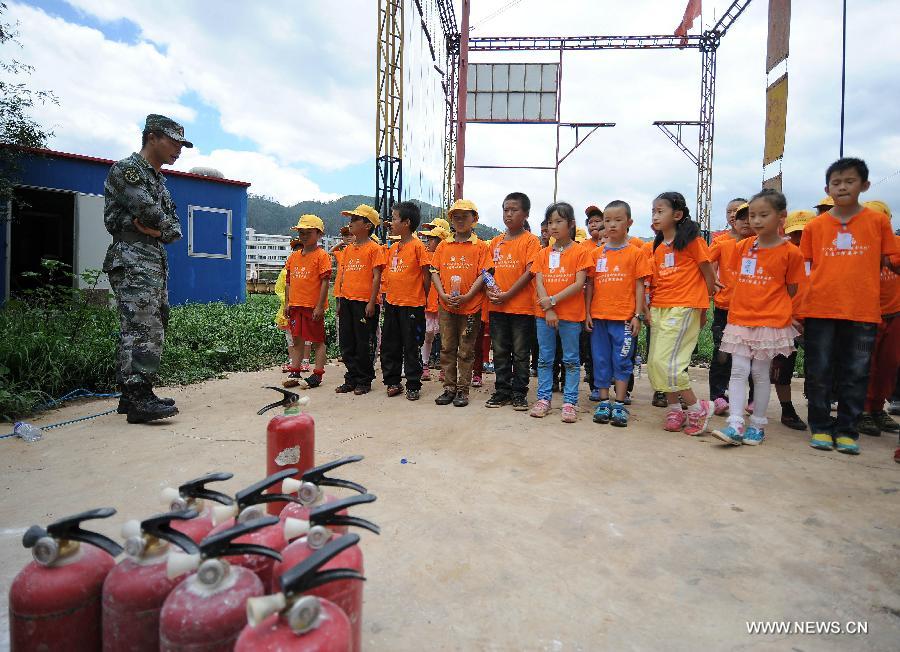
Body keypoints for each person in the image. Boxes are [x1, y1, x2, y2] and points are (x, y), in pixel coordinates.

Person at [801, 157, 897, 454]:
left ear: (864, 185)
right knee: (819, 371)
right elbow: (806, 268)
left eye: (849, 181)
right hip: (820, 309)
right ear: (827, 188)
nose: (842, 187)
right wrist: (798, 309)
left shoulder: (878, 222)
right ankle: (820, 427)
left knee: (856, 371)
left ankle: (847, 430)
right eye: (836, 182)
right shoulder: (815, 227)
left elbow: (891, 259)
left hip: (862, 310)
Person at [103, 114, 188, 424]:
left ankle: (132, 394)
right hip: (132, 259)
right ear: (152, 137)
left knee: (149, 324)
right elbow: (149, 212)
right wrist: (157, 227)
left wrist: (155, 231)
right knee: (143, 327)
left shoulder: (158, 181)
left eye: (182, 144)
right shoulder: (128, 171)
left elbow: (174, 230)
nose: (178, 149)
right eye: (173, 141)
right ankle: (139, 396)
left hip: (151, 259)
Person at [711, 190, 805, 446]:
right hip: (740, 318)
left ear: (781, 216)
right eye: (753, 215)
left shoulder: (790, 253)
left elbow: (794, 288)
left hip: (770, 322)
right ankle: (735, 424)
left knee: (760, 374)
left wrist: (787, 313)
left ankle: (758, 424)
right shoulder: (743, 247)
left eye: (764, 214)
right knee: (739, 371)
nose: (756, 220)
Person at [646, 191, 717, 436]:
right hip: (660, 308)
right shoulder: (657, 247)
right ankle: (675, 408)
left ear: (677, 215)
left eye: (660, 211)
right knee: (655, 363)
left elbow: (709, 274)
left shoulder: (692, 242)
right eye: (653, 211)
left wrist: (703, 306)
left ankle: (698, 408)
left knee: (670, 364)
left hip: (685, 306)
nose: (655, 216)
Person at [585, 200, 652, 427]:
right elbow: (590, 286)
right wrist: (587, 313)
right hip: (599, 317)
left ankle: (620, 403)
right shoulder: (596, 254)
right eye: (607, 220)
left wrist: (638, 315)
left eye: (618, 220)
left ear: (629, 222)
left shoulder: (636, 253)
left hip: (624, 319)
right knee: (601, 360)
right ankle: (604, 401)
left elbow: (640, 285)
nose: (611, 225)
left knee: (622, 360)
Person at [530, 202, 592, 423]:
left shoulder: (581, 252)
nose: (553, 226)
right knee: (545, 359)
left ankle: (569, 402)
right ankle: (543, 398)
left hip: (571, 316)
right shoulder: (543, 254)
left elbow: (579, 283)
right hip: (544, 315)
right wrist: (548, 308)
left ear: (571, 224)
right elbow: (539, 281)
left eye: (559, 221)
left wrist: (553, 301)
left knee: (571, 360)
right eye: (550, 222)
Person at [430, 199, 489, 407]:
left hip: (471, 307)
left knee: (466, 349)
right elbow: (434, 272)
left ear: (475, 219)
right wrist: (442, 294)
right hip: (446, 305)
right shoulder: (444, 245)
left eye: (465, 216)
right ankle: (449, 388)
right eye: (456, 216)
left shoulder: (481, 246)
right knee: (447, 347)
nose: (460, 220)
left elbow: (484, 274)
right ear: (451, 220)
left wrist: (468, 296)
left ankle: (462, 390)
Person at [485, 192, 541, 410]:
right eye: (505, 210)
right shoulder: (496, 242)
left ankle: (519, 393)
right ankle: (501, 391)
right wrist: (492, 290)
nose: (508, 214)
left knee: (520, 353)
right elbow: (488, 270)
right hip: (497, 306)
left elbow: (530, 272)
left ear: (525, 214)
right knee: (499, 351)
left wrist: (508, 294)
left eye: (514, 210)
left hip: (521, 308)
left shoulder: (530, 241)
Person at [857, 200, 900, 436]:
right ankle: (861, 410)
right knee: (864, 366)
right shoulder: (858, 248)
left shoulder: (897, 246)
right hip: (866, 316)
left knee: (889, 364)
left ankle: (877, 409)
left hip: (894, 314)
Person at [380, 201, 430, 401]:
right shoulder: (393, 248)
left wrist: (420, 297)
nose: (391, 223)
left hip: (412, 305)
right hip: (392, 303)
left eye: (394, 219)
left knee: (411, 345)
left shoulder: (418, 246)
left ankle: (412, 384)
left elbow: (426, 277)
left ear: (407, 222)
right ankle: (392, 382)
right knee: (390, 344)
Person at [769, 209, 813, 430]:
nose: (800, 239)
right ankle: (787, 410)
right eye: (796, 234)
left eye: (804, 233)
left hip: (816, 320)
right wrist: (786, 317)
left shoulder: (821, 257)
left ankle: (818, 410)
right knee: (782, 369)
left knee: (818, 369)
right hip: (785, 321)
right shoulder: (782, 255)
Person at [335, 204, 385, 396]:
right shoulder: (348, 250)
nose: (351, 222)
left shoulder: (375, 249)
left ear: (367, 225)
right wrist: (340, 302)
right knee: (347, 342)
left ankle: (364, 380)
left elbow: (376, 277)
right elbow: (343, 277)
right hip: (347, 301)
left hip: (364, 302)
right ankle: (351, 377)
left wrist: (372, 302)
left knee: (364, 342)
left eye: (355, 219)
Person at [707, 198, 751, 415]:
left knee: (752, 353)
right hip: (725, 307)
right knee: (722, 352)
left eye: (740, 212)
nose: (734, 215)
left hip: (754, 310)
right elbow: (704, 262)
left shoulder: (760, 241)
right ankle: (717, 395)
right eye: (730, 211)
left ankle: (751, 398)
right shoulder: (721, 242)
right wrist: (710, 281)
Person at [282, 215, 332, 389]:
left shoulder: (322, 256)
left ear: (318, 234)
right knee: (297, 339)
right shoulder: (293, 257)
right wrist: (287, 303)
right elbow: (288, 282)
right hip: (296, 305)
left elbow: (325, 282)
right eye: (301, 233)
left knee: (318, 341)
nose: (303, 236)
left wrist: (319, 306)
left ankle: (317, 374)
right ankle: (295, 371)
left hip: (312, 307)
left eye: (308, 233)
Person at [419, 225, 445, 382]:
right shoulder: (425, 255)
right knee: (427, 336)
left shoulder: (447, 254)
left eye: (431, 239)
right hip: (428, 302)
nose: (428, 242)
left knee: (445, 339)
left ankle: (444, 368)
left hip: (443, 302)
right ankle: (425, 365)